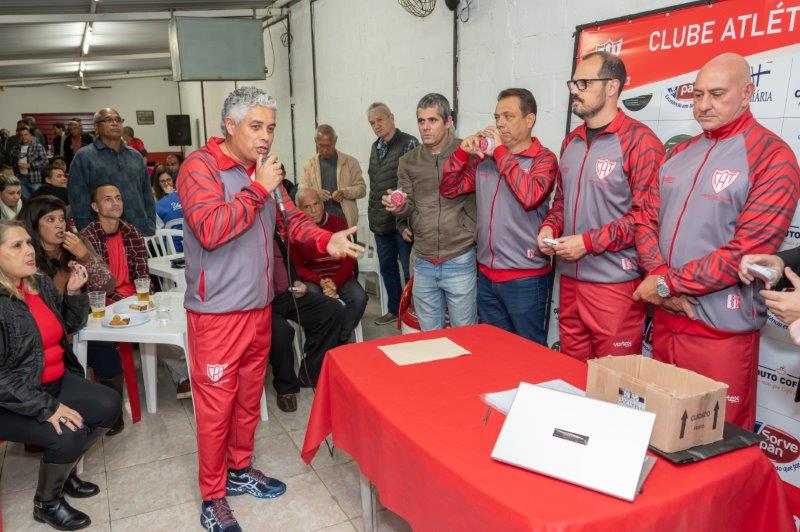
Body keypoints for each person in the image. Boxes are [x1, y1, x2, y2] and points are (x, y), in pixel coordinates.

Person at [176, 86, 361, 531]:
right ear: (230, 125)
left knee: (247, 400)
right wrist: (258, 187)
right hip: (216, 315)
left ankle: (240, 470)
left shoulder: (264, 171)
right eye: (256, 126)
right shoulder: (200, 168)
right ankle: (213, 497)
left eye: (271, 128)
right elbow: (211, 228)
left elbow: (291, 219)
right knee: (216, 411)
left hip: (259, 308)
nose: (265, 137)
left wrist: (327, 240)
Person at [634, 53, 800, 430]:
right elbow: (645, 220)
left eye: (717, 94)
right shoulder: (678, 153)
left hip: (720, 333)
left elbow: (746, 253)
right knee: (657, 431)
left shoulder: (773, 157)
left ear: (747, 94)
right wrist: (661, 280)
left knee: (716, 443)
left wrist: (665, 284)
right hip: (666, 321)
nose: (703, 105)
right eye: (697, 95)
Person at [538, 51, 664, 361]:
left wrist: (587, 242)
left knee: (614, 380)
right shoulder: (571, 141)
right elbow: (562, 200)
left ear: (611, 87)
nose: (575, 90)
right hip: (570, 282)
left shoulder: (640, 141)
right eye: (573, 83)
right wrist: (550, 226)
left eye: (584, 83)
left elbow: (645, 217)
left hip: (615, 286)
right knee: (572, 372)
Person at [0, 220, 122, 531]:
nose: (29, 250)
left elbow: (68, 326)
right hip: (13, 400)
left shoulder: (38, 284)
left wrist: (74, 293)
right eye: (17, 245)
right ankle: (46, 503)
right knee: (70, 432)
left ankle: (63, 473)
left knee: (109, 405)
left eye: (29, 242)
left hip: (53, 382)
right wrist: (48, 408)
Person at [441, 88, 558, 345]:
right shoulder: (486, 161)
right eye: (497, 117)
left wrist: (501, 153)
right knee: (495, 351)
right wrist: (462, 153)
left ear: (529, 119)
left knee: (529, 352)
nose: (500, 123)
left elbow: (530, 195)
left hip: (525, 277)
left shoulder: (543, 159)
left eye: (508, 116)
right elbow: (449, 189)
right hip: (486, 275)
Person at [81, 184, 190, 406]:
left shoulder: (131, 232)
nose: (115, 203)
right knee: (152, 325)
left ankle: (186, 376)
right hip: (106, 303)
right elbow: (93, 287)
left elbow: (142, 275)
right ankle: (184, 376)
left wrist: (147, 299)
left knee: (167, 316)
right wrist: (130, 303)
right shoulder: (87, 238)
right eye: (108, 199)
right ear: (95, 206)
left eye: (118, 198)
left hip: (136, 299)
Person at [382, 93, 477, 330]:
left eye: (432, 120)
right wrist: (398, 208)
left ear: (448, 121)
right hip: (423, 259)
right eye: (421, 121)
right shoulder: (408, 161)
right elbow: (408, 205)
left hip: (459, 256)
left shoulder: (468, 153)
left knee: (465, 336)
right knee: (429, 339)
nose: (425, 127)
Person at [271, 230, 345, 412]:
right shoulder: (238, 235)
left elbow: (286, 261)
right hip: (258, 304)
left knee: (332, 309)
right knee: (282, 332)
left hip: (286, 295)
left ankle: (310, 372)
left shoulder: (270, 230)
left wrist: (296, 281)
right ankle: (286, 388)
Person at [366, 102, 419, 325]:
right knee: (387, 268)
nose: (377, 125)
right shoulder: (375, 147)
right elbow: (375, 183)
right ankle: (394, 310)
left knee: (409, 270)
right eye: (372, 123)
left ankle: (412, 315)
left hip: (402, 222)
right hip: (380, 222)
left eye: (380, 119)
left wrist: (405, 221)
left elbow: (413, 186)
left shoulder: (409, 143)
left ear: (392, 117)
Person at [292, 187, 366, 343]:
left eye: (316, 204)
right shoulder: (296, 231)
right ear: (299, 210)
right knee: (313, 301)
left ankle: (340, 339)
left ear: (323, 203)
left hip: (339, 275)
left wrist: (334, 283)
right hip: (313, 279)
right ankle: (317, 340)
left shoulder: (338, 222)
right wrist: (320, 281)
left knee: (359, 298)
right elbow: (297, 267)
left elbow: (350, 259)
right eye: (307, 206)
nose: (314, 210)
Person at [69, 108, 156, 236]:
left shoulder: (135, 156)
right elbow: (78, 201)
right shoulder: (84, 157)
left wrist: (150, 223)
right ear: (96, 127)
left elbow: (147, 193)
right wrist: (90, 235)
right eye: (109, 120)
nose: (115, 123)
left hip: (139, 232)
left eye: (118, 119)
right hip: (103, 236)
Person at [299, 124, 366, 227]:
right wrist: (316, 193)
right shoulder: (308, 166)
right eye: (321, 146)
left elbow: (361, 189)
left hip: (345, 222)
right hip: (319, 224)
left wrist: (345, 192)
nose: (325, 149)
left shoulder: (350, 162)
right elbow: (301, 190)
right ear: (315, 141)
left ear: (336, 140)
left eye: (329, 145)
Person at [152, 164, 184, 252]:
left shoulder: (158, 206)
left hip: (173, 252)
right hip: (193, 248)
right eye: (162, 181)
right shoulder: (185, 195)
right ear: (158, 183)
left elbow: (157, 239)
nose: (166, 184)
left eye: (168, 180)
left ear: (173, 180)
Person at [11, 124, 48, 198]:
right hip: (21, 178)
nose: (23, 137)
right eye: (21, 135)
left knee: (39, 198)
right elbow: (12, 161)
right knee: (27, 200)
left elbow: (45, 161)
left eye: (26, 134)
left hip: (34, 178)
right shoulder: (16, 147)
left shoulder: (37, 146)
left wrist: (30, 165)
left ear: (30, 135)